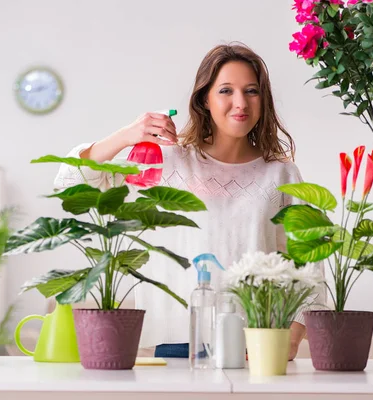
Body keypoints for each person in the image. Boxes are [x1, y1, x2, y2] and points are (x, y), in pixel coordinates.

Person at [54, 43, 326, 360]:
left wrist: (290, 341)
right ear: (204, 99)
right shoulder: (163, 161)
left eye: (251, 91)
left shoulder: (281, 174)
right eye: (226, 90)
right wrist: (128, 135)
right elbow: (70, 184)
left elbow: (310, 268)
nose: (241, 103)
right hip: (173, 343)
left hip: (255, 346)